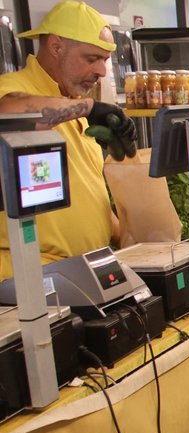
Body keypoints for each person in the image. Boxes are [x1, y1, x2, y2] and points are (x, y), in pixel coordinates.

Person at [0, 0, 136, 280]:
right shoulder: (15, 88)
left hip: (84, 268)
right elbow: (8, 110)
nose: (101, 72)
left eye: (105, 61)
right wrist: (88, 108)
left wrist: (131, 237)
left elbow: (87, 194)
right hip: (31, 276)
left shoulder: (71, 104)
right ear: (56, 46)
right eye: (91, 59)